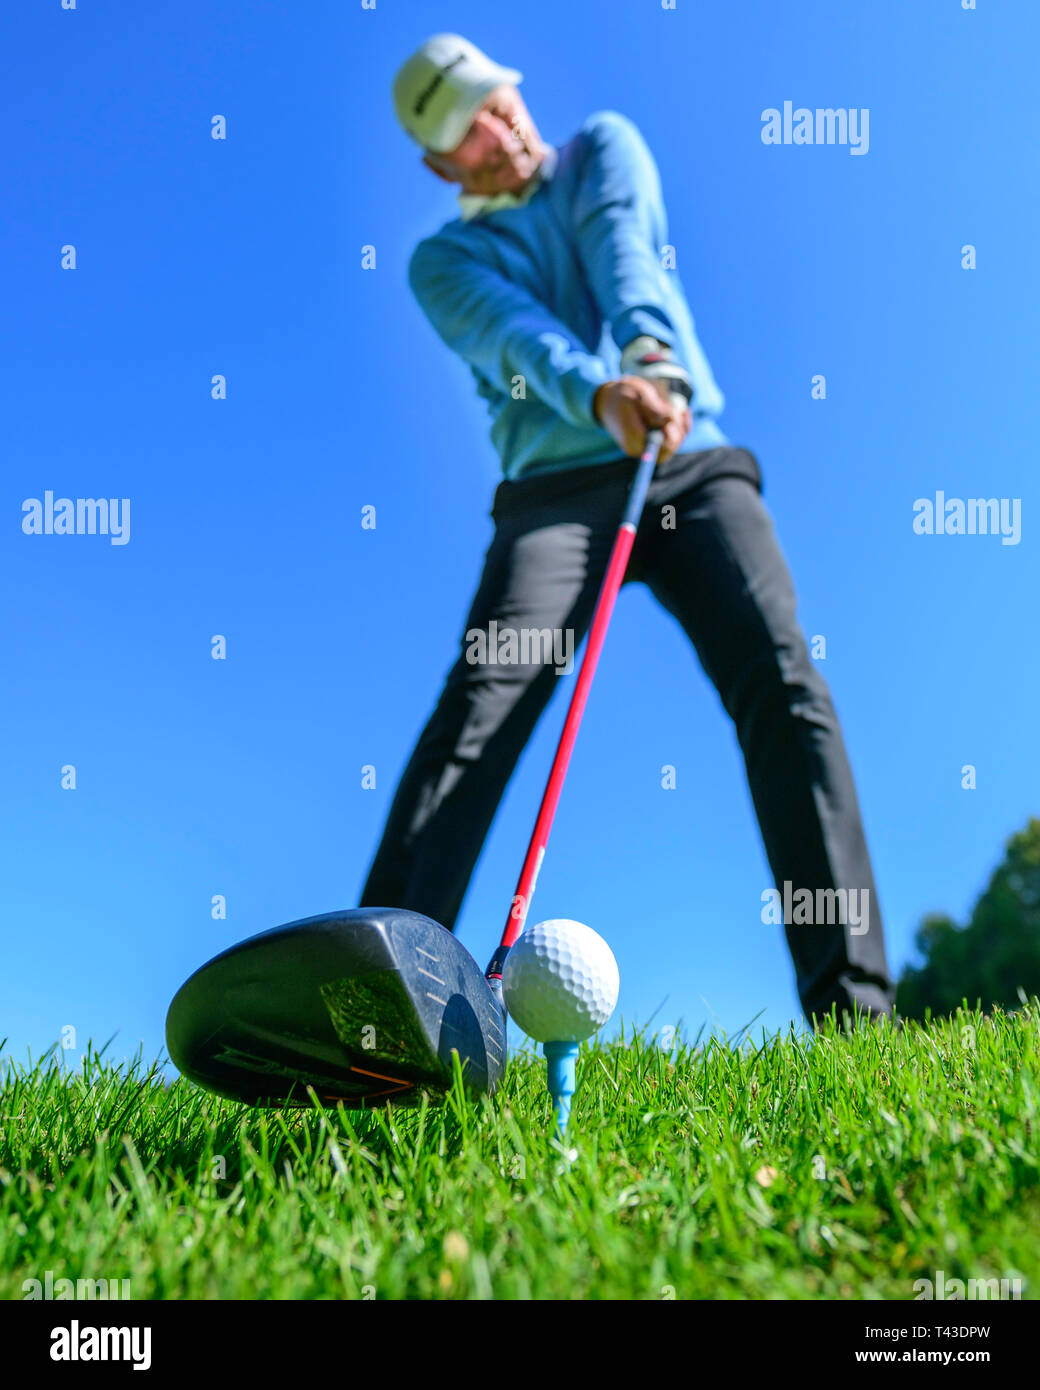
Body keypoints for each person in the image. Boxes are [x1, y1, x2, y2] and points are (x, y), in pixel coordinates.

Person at [360, 33, 896, 1029]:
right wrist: (599, 390)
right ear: (438, 167)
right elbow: (514, 335)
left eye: (492, 98)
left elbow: (623, 249)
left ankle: (854, 1013)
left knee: (782, 682)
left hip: (686, 459)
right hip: (554, 491)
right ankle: (372, 1010)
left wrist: (647, 352)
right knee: (482, 705)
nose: (494, 124)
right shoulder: (442, 261)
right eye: (463, 129)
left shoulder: (602, 146)